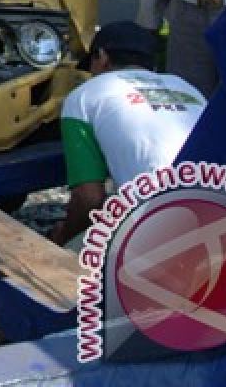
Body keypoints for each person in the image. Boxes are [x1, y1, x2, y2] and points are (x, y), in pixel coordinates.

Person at [50, 21, 205, 247]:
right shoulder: (186, 87)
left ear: (102, 57)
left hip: (161, 225)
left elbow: (89, 199)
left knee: (54, 264)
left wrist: (62, 238)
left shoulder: (83, 97)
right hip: (224, 209)